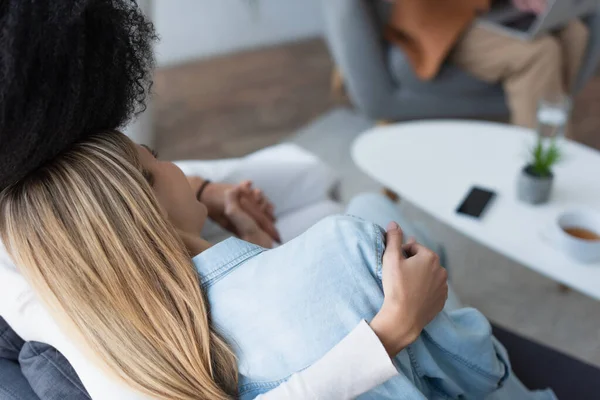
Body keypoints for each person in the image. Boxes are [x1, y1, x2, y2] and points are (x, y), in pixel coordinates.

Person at [0, 1, 448, 399]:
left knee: (309, 176)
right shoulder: (86, 341)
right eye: (158, 162)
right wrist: (393, 330)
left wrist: (208, 198)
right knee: (362, 205)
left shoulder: (64, 183)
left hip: (131, 206)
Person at [386, 0, 589, 131]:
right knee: (539, 53)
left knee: (575, 33)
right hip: (442, 20)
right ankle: (536, 165)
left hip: (492, 9)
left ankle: (550, 137)